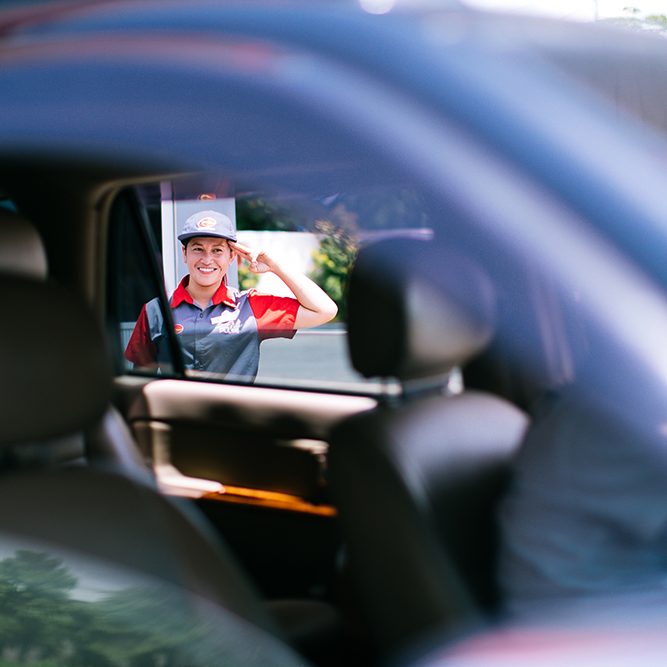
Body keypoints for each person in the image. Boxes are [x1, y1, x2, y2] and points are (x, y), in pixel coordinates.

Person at [125, 209, 337, 379]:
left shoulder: (251, 307)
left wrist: (275, 265)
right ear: (185, 254)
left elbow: (324, 311)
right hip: (176, 423)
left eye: (217, 250)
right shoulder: (156, 310)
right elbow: (141, 379)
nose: (207, 260)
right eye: (198, 249)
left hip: (233, 424)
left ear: (231, 257)